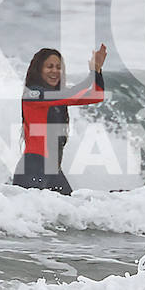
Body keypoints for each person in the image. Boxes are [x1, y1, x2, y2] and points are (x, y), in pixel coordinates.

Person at [13, 44, 107, 195]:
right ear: (39, 70)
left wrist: (97, 71)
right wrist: (91, 74)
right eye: (49, 66)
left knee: (72, 212)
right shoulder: (33, 95)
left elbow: (97, 96)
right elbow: (67, 95)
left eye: (58, 67)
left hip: (53, 171)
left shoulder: (58, 100)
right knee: (26, 216)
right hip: (33, 168)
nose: (55, 71)